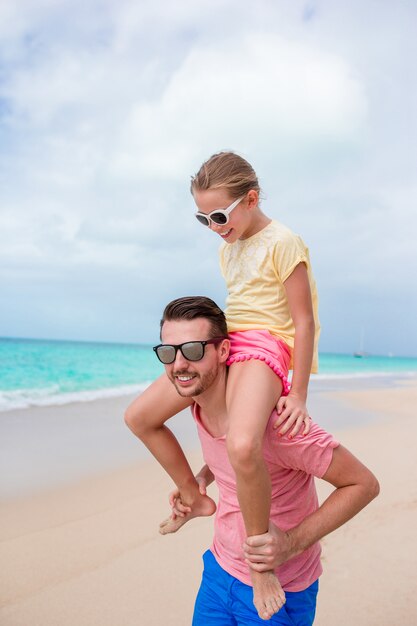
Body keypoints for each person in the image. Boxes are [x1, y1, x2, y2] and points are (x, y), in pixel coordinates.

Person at [125, 151, 321, 619]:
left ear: (250, 199)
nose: (214, 226)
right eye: (202, 218)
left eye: (219, 215)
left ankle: (260, 566)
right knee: (139, 417)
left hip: (268, 348)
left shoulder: (284, 241)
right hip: (230, 342)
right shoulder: (226, 247)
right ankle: (193, 499)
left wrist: (297, 392)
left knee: (243, 442)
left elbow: (304, 320)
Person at [131, 296, 379, 625]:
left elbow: (363, 484)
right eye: (168, 352)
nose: (179, 365)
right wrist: (202, 479)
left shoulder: (279, 426)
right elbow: (227, 454)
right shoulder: (198, 402)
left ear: (222, 351)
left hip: (281, 589)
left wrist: (291, 544)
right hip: (219, 571)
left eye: (192, 350)